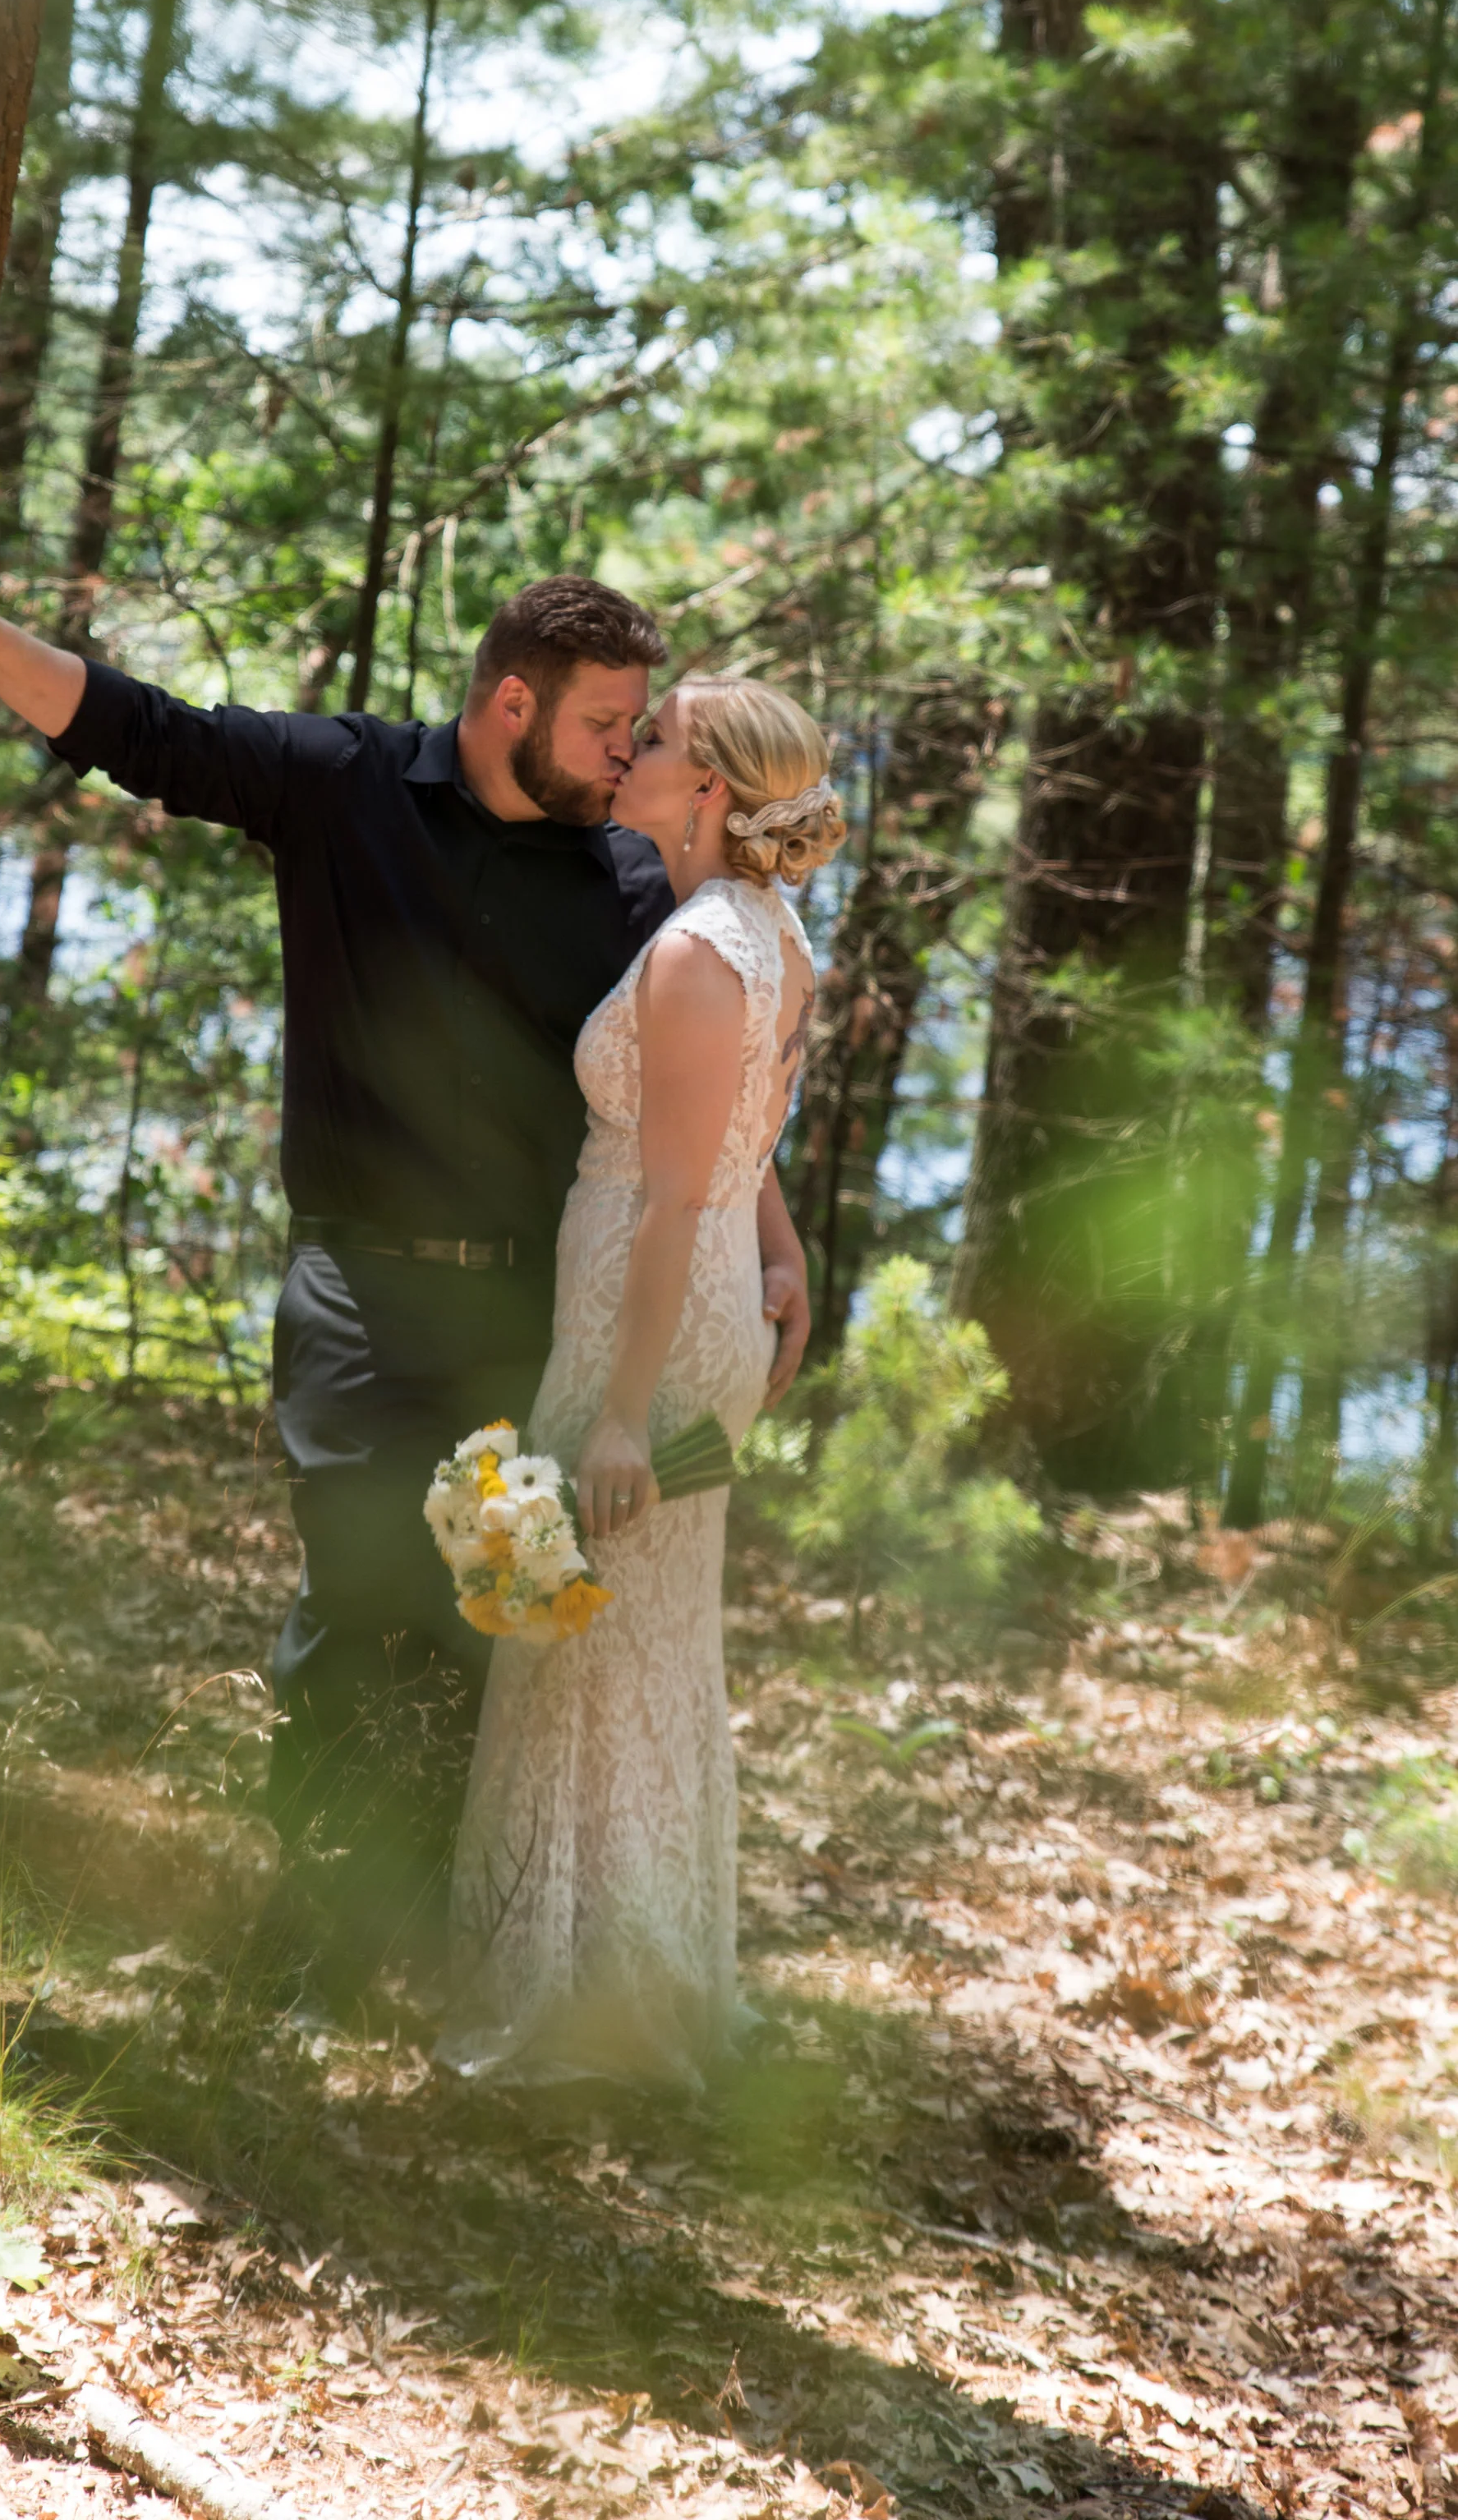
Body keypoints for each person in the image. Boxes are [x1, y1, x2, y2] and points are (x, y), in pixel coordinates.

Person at [0, 485, 815, 1995]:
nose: (628, 753)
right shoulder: (347, 784)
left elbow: (707, 1094)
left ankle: (445, 1941)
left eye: (641, 730)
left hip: (528, 1324)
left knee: (500, 1617)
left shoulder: (629, 879)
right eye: (607, 724)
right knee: (355, 1598)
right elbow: (152, 732)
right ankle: (314, 1944)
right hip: (358, 1299)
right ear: (512, 702)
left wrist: (777, 1238)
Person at [440, 674, 844, 2090]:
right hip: (705, 1301)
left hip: (648, 1330)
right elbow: (745, 1139)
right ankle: (638, 1977)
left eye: (657, 741)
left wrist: (619, 1415)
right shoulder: (771, 932)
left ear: (711, 789)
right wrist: (786, 1251)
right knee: (639, 1648)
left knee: (571, 1644)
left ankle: (574, 2003)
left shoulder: (692, 950)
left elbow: (676, 1191)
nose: (631, 753)